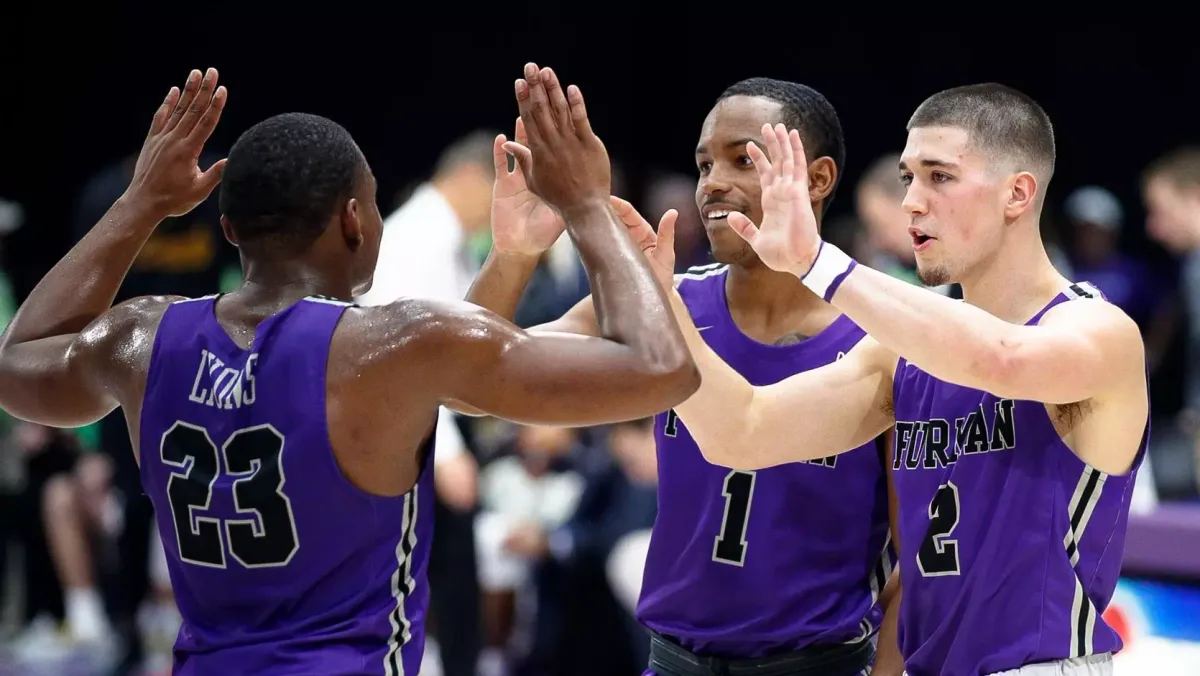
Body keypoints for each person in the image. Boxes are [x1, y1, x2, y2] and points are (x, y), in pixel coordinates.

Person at [0, 64, 700, 675]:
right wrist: (583, 204)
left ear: (231, 227)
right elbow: (659, 369)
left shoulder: (142, 338)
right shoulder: (393, 344)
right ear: (356, 221)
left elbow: (17, 366)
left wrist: (140, 203)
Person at [654, 84, 1148, 676]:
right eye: (907, 177)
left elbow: (1001, 360)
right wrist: (665, 308)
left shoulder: (1098, 331)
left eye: (938, 177)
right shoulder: (898, 356)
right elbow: (741, 432)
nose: (911, 201)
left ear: (1017, 193)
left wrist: (818, 262)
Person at [467, 76, 901, 676]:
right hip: (673, 660)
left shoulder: (887, 333)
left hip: (820, 662)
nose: (713, 182)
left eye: (743, 159)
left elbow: (912, 564)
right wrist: (513, 253)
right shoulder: (663, 302)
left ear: (819, 179)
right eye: (703, 165)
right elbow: (471, 386)